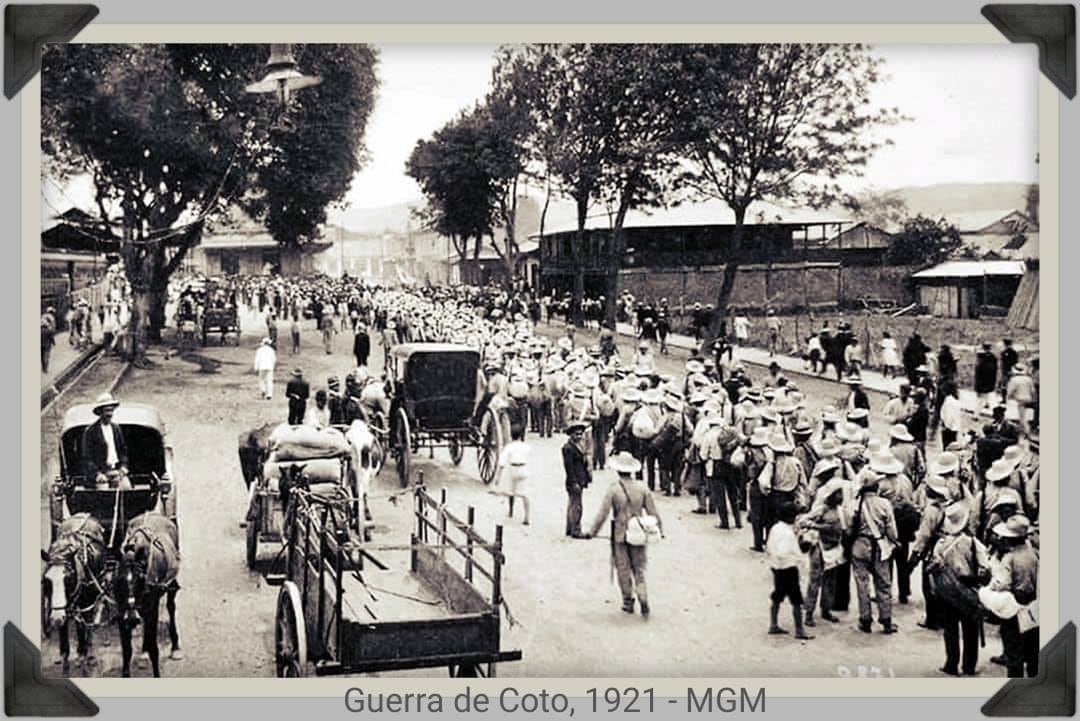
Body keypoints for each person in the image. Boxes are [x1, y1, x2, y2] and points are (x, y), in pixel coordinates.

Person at [582, 451, 664, 617]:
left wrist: (592, 532)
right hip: (639, 532)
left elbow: (602, 514)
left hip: (620, 533)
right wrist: (659, 529)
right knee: (639, 568)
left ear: (617, 470)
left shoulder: (614, 490)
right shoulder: (642, 488)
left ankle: (628, 601)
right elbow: (652, 512)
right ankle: (643, 596)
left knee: (623, 568)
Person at [928, 502, 989, 676]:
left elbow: (935, 567)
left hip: (946, 593)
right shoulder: (974, 544)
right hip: (968, 591)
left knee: (950, 630)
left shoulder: (940, 544)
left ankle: (951, 664)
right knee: (971, 631)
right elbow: (984, 568)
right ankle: (969, 666)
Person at [988, 514, 1039, 678]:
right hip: (1033, 603)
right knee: (1033, 650)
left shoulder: (1009, 558)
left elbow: (1002, 584)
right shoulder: (1034, 554)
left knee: (1013, 651)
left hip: (1014, 604)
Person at [850, 469, 900, 634]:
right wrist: (894, 542)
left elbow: (849, 526)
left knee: (862, 584)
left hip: (859, 544)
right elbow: (891, 530)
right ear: (876, 486)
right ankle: (886, 620)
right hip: (879, 546)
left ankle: (865, 620)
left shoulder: (855, 503)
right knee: (883, 584)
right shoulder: (884, 504)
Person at [766, 503, 813, 639]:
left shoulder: (776, 528)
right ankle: (799, 630)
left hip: (777, 567)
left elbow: (770, 547)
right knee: (796, 600)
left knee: (777, 596)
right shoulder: (787, 533)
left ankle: (773, 624)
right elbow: (786, 551)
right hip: (789, 568)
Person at [80, 393, 129, 489]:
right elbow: (87, 457)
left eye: (111, 410)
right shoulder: (90, 431)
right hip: (101, 474)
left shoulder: (116, 428)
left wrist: (123, 467)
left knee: (127, 489)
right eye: (106, 411)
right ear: (100, 412)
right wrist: (97, 474)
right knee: (104, 495)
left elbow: (123, 450)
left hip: (117, 472)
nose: (109, 414)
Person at [492, 425, 532, 525]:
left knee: (511, 491)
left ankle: (510, 511)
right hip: (523, 468)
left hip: (512, 469)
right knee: (525, 494)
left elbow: (501, 463)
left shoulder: (509, 447)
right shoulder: (526, 447)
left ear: (511, 435)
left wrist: (498, 476)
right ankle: (527, 516)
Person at [563, 420, 592, 538]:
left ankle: (570, 527)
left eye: (580, 434)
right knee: (577, 506)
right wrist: (574, 482)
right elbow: (569, 468)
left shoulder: (578, 446)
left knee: (572, 504)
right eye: (576, 434)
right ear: (571, 435)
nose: (579, 436)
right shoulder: (568, 448)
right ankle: (576, 529)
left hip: (579, 479)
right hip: (574, 480)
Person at [974, 342, 999, 414]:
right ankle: (997, 415)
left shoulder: (980, 359)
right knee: (992, 400)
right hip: (990, 382)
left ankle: (976, 414)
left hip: (981, 384)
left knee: (981, 400)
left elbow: (977, 374)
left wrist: (976, 387)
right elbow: (995, 371)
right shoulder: (993, 358)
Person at [939, 382, 964, 450]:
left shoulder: (949, 402)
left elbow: (949, 417)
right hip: (954, 428)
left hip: (949, 429)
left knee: (947, 448)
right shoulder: (955, 401)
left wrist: (946, 426)